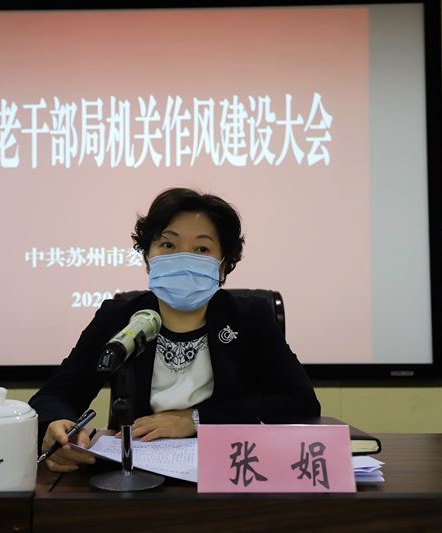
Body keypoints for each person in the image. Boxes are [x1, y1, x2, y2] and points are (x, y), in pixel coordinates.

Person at [29, 187, 320, 472]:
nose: (183, 259)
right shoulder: (120, 317)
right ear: (148, 258)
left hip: (229, 470)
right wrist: (57, 426)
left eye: (201, 249)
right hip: (136, 474)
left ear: (223, 265)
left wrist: (196, 420)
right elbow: (53, 397)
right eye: (168, 245)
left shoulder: (250, 317)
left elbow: (300, 402)